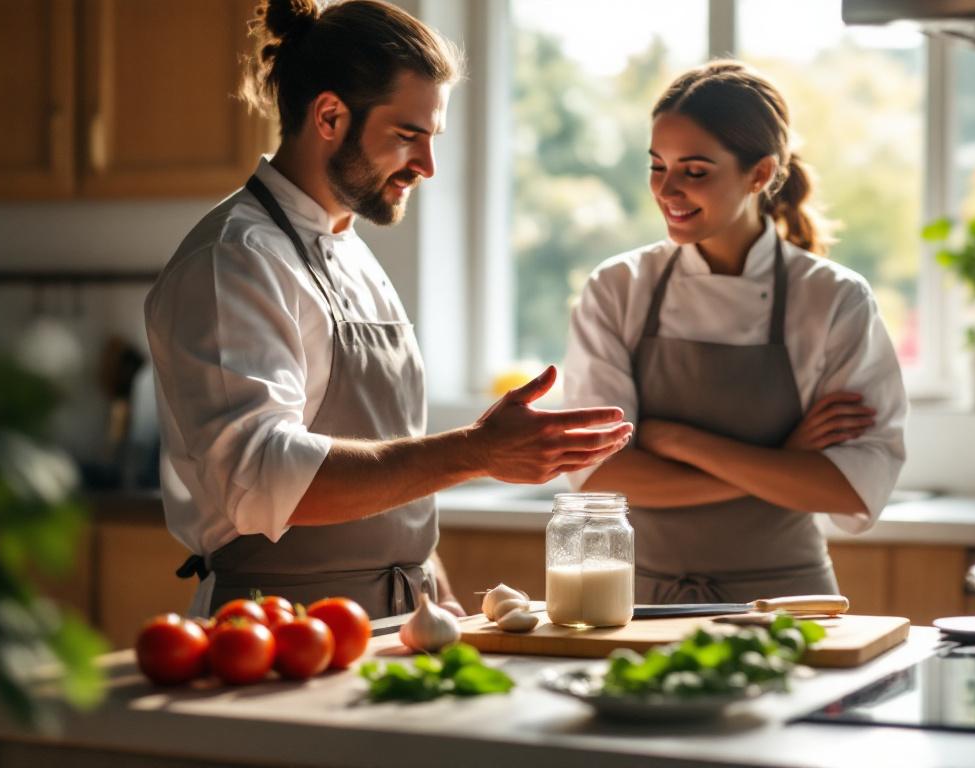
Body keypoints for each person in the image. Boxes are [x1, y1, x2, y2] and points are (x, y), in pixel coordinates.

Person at [145, 0, 631, 620]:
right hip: (279, 624)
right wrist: (476, 451)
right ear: (329, 116)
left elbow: (392, 455)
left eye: (433, 139)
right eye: (408, 136)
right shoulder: (234, 261)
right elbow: (261, 475)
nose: (427, 167)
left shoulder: (352, 252)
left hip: (401, 618)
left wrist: (435, 582)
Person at [562, 61, 907, 604]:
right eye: (657, 166)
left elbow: (850, 489)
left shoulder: (834, 300)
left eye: (695, 171)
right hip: (640, 604)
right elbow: (599, 477)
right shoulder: (618, 287)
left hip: (790, 606)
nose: (667, 190)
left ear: (760, 173)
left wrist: (679, 441)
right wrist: (780, 462)